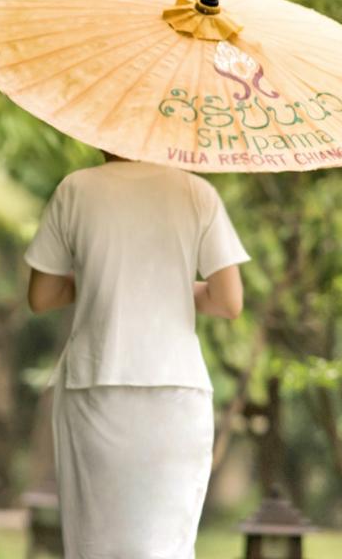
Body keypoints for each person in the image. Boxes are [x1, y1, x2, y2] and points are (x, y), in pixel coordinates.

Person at [25, 151, 249, 559]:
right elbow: (229, 301)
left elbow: (41, 296)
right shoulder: (197, 193)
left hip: (94, 385)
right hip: (176, 390)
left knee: (95, 546)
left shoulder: (75, 189)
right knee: (167, 547)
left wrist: (97, 280)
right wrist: (176, 286)